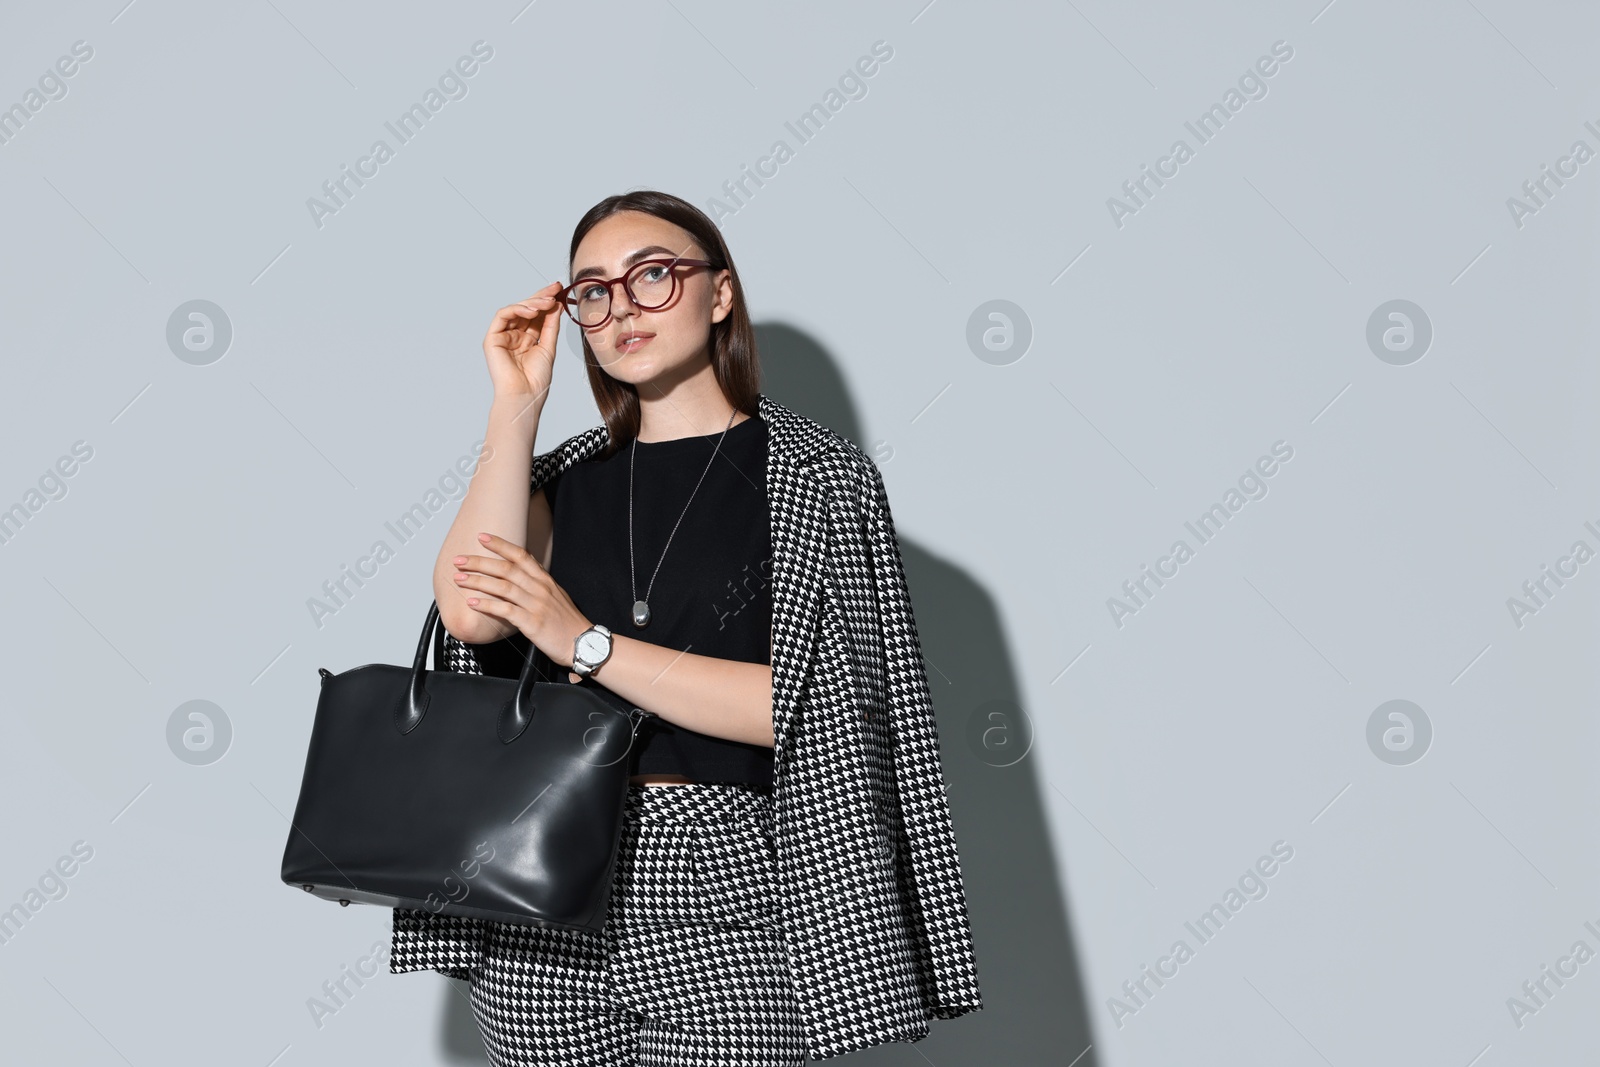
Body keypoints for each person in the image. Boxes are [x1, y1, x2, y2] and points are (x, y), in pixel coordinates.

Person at [390, 189, 983, 1064]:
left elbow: (808, 709)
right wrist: (515, 403)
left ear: (721, 294)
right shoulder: (560, 482)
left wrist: (583, 642)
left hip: (725, 879)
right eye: (593, 290)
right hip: (543, 877)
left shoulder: (814, 479)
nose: (622, 304)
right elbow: (469, 612)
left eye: (653, 275)